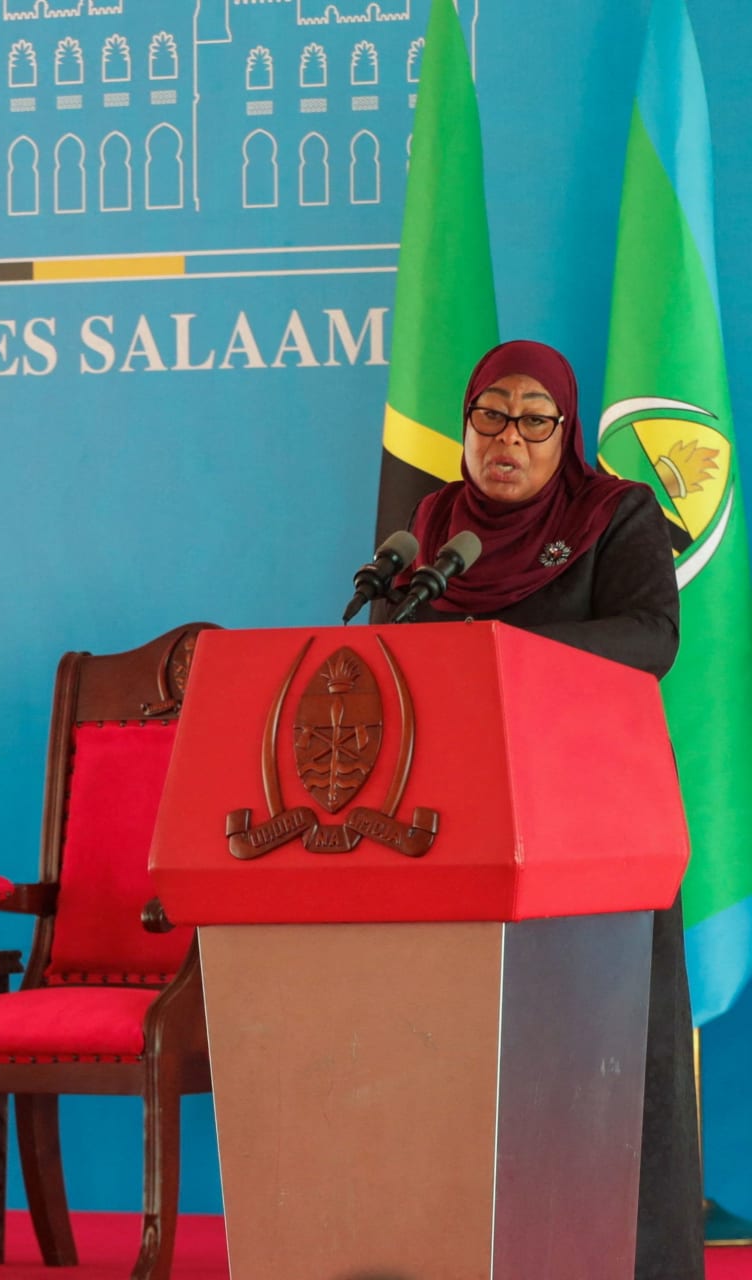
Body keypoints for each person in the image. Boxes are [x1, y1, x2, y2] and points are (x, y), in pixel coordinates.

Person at [379, 339, 701, 1279]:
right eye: (489, 414)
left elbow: (650, 638)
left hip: (594, 819)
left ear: (565, 432)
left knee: (604, 1049)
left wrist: (496, 644)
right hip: (458, 827)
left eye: (532, 419)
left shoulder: (618, 515)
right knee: (467, 1057)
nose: (506, 438)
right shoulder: (431, 524)